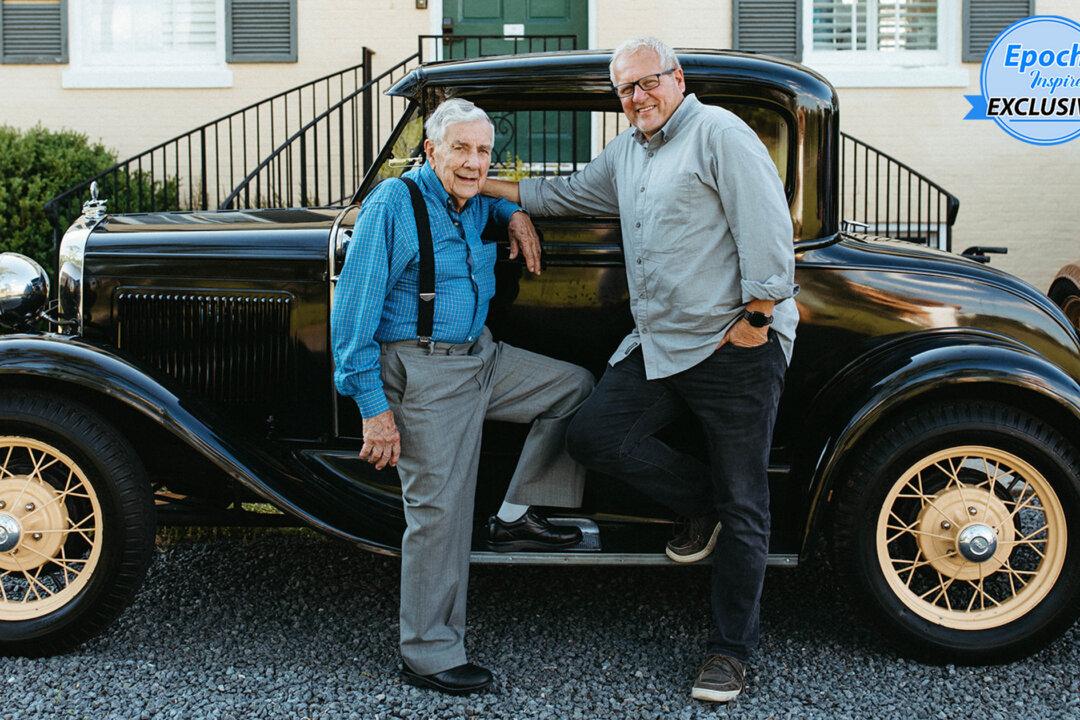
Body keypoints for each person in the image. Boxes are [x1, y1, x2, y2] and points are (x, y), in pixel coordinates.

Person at [482, 36, 797, 703]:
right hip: (660, 344)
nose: (637, 97)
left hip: (733, 344)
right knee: (593, 435)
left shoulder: (720, 134)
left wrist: (757, 318)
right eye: (625, 89)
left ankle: (730, 651)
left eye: (648, 82)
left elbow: (768, 227)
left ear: (677, 78)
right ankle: (700, 505)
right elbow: (561, 193)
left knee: (747, 500)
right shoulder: (628, 151)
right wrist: (478, 182)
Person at [331, 98, 594, 696]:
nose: (475, 163)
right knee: (440, 514)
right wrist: (374, 411)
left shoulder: (471, 199)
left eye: (484, 151)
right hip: (424, 370)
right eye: (461, 149)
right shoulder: (394, 205)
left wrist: (513, 212)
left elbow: (489, 198)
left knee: (574, 388)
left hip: (481, 356)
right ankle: (428, 653)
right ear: (431, 151)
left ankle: (517, 514)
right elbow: (351, 320)